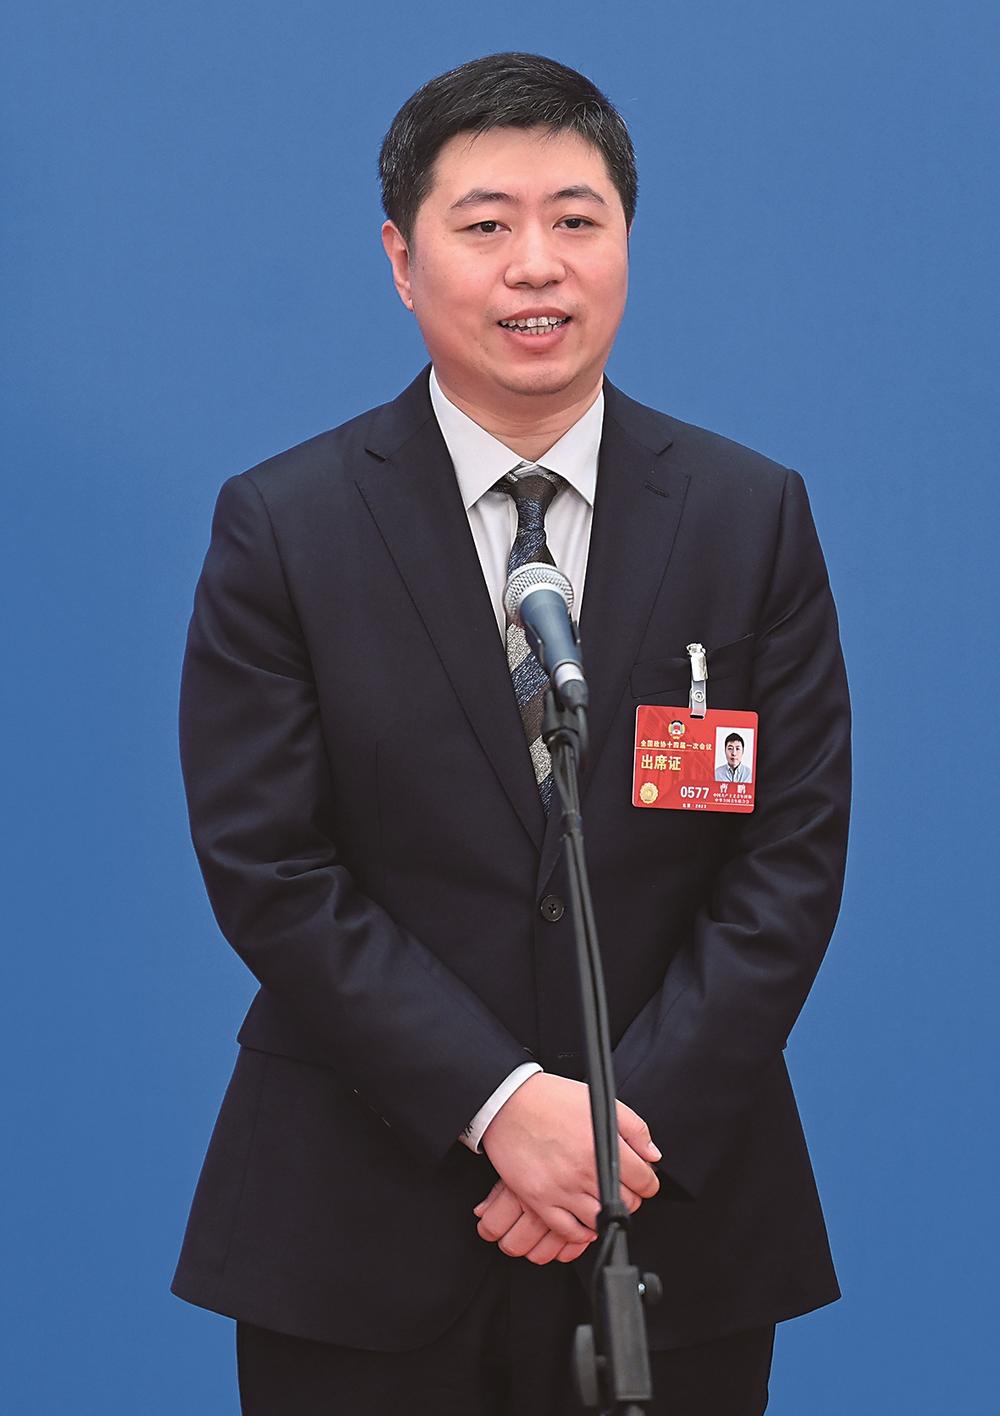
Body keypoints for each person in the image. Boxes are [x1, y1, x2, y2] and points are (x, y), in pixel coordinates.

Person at [171, 52, 851, 1416]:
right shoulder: (288, 525)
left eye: (575, 219)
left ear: (625, 240)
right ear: (402, 258)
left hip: (672, 1213)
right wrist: (498, 1105)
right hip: (360, 1218)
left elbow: (789, 860)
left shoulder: (747, 514)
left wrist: (608, 1138)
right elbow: (272, 866)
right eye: (486, 224)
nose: (536, 264)